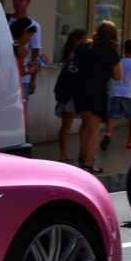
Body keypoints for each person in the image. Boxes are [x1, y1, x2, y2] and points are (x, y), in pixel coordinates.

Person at [72, 20, 122, 174]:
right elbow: (119, 76)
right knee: (94, 129)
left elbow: (74, 63)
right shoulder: (112, 53)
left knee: (85, 124)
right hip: (97, 91)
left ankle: (83, 153)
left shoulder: (85, 47)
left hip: (80, 89)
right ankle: (88, 163)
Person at [103, 39, 131, 151]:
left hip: (116, 92)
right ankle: (130, 141)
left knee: (113, 115)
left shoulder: (119, 62)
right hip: (130, 94)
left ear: (124, 49)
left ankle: (108, 133)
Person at [54, 28, 87, 163]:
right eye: (84, 41)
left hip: (67, 92)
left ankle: (66, 154)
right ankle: (66, 154)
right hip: (70, 93)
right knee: (67, 124)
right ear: (77, 41)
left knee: (66, 124)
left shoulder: (68, 53)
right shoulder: (74, 55)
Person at [6, 0, 42, 96]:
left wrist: (33, 80)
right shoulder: (4, 21)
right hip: (6, 76)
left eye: (21, 0)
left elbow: (35, 53)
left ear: (28, 2)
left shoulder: (34, 26)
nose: (17, 2)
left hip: (23, 79)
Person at [10, 18, 38, 135]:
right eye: (30, 35)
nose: (30, 39)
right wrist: (32, 71)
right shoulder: (22, 49)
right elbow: (18, 72)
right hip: (14, 88)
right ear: (25, 32)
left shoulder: (7, 43)